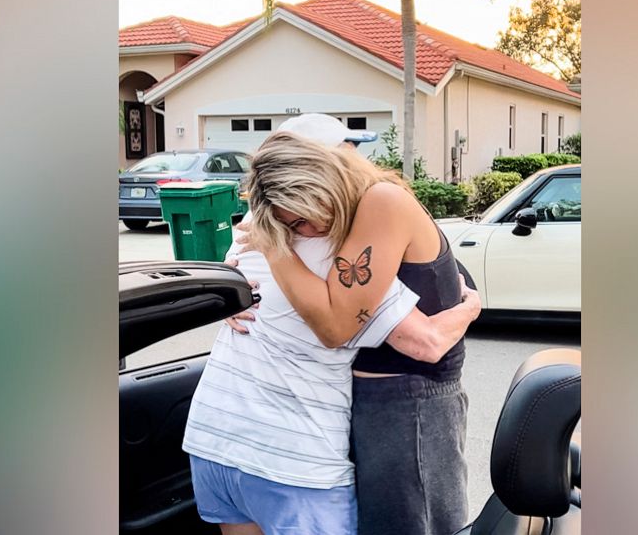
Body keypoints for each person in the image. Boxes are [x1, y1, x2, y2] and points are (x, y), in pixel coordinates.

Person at [181, 116, 481, 535]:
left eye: (304, 217)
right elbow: (424, 341)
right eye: (292, 221)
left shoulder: (260, 234)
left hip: (214, 439)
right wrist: (472, 308)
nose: (303, 229)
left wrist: (239, 278)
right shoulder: (317, 245)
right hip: (292, 457)